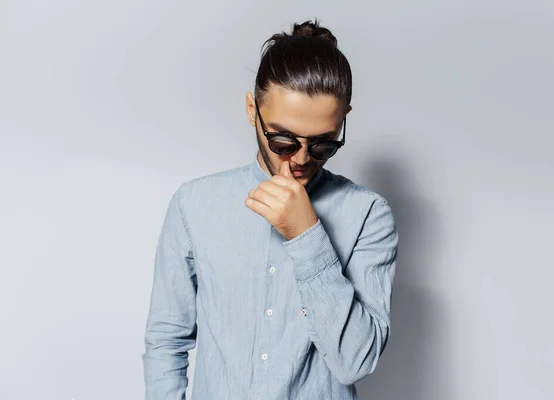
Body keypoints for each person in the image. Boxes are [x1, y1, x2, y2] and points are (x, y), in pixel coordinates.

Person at [142, 18, 399, 400]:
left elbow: (356, 361)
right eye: (282, 139)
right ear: (252, 110)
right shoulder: (194, 205)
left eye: (322, 145)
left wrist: (306, 234)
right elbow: (166, 341)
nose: (299, 159)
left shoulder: (368, 215)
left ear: (342, 120)